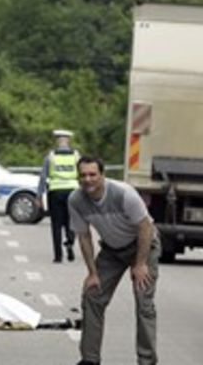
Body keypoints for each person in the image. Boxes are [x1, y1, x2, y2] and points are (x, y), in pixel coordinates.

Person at [68, 156, 161, 365]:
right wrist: (92, 273)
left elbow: (145, 227)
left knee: (143, 302)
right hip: (112, 251)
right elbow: (84, 236)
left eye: (93, 175)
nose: (88, 180)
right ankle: (90, 359)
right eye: (83, 175)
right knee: (92, 295)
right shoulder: (76, 200)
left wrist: (140, 264)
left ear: (102, 175)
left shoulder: (123, 194)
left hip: (143, 247)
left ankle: (147, 361)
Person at [37, 129, 80, 263]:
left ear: (57, 142)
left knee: (56, 225)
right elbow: (83, 174)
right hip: (73, 192)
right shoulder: (76, 156)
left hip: (55, 192)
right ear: (69, 141)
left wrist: (39, 195)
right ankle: (70, 242)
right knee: (71, 222)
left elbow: (43, 176)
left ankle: (58, 256)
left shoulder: (50, 156)